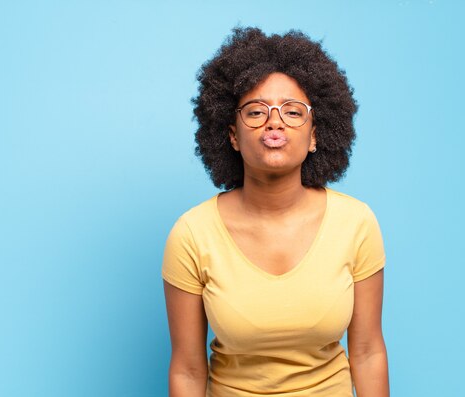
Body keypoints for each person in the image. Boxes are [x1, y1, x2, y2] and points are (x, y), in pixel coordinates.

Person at [162, 27, 388, 397]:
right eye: (255, 111)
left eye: (293, 111)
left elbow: (367, 352)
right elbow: (187, 370)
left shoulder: (356, 224)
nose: (274, 121)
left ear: (316, 134)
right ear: (232, 136)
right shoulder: (192, 234)